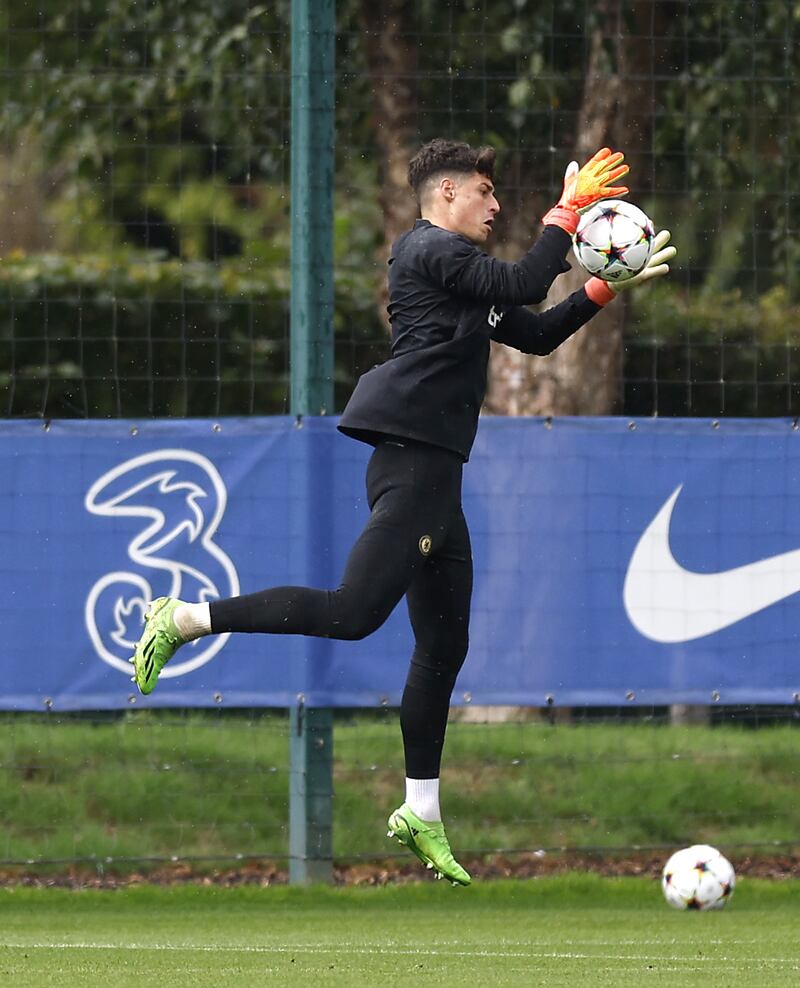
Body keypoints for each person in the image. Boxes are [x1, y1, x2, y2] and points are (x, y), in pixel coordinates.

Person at [131, 139, 676, 886]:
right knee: (353, 611)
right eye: (485, 191)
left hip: (438, 478)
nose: (495, 204)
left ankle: (421, 809)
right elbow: (522, 278)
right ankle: (186, 618)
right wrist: (569, 212)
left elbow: (538, 332)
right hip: (413, 465)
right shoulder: (427, 251)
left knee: (445, 645)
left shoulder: (465, 282)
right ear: (447, 193)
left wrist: (607, 285)